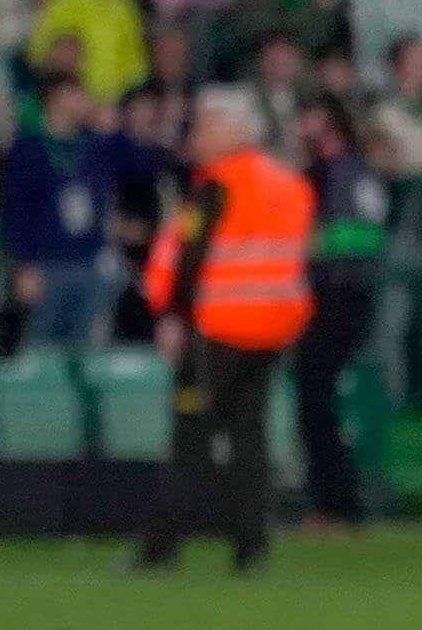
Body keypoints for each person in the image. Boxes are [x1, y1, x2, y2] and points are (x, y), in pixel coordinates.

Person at [130, 86, 314, 574]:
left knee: (190, 439)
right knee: (249, 441)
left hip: (217, 329)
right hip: (272, 331)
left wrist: (173, 318)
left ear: (232, 131)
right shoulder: (290, 184)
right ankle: (252, 548)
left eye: (206, 126)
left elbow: (190, 259)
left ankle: (160, 548)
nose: (196, 137)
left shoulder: (218, 187)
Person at [294, 100, 390, 527]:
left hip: (336, 297)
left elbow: (349, 238)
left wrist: (307, 247)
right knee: (322, 397)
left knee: (316, 396)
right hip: (347, 296)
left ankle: (335, 503)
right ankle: (337, 501)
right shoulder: (357, 174)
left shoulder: (337, 175)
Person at [3, 75, 122, 350]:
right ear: (58, 98)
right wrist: (23, 265)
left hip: (89, 262)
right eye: (79, 95)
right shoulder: (28, 149)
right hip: (45, 265)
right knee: (39, 348)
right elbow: (16, 211)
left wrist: (114, 131)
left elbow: (134, 170)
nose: (88, 102)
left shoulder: (95, 145)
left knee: (84, 350)